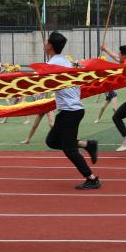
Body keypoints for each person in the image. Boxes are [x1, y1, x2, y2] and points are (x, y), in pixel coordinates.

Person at [42, 31, 101, 189]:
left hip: (71, 111)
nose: (45, 44)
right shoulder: (65, 61)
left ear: (50, 46)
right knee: (52, 141)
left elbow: (43, 84)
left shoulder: (53, 64)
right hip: (69, 110)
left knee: (69, 149)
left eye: (46, 42)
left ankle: (92, 178)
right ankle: (87, 145)